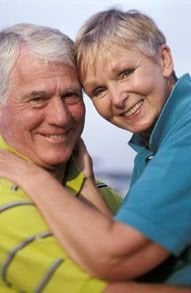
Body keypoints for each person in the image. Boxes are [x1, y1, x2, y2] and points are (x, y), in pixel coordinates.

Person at [0, 15, 190, 293]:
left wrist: (32, 178)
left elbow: (118, 258)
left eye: (71, 96)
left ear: (164, 60)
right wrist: (87, 184)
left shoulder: (180, 138)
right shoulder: (147, 153)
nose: (60, 117)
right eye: (37, 99)